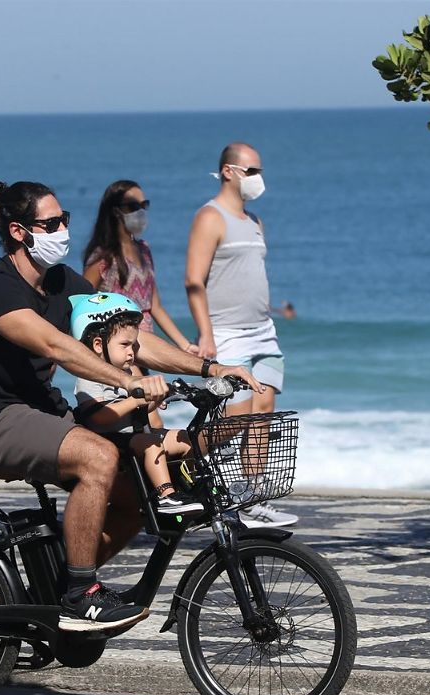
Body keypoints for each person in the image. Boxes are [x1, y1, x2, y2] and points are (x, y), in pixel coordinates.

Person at [0, 180, 263, 632]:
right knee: (99, 456)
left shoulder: (63, 284)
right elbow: (54, 345)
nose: (63, 230)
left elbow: (131, 336)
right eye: (51, 223)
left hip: (47, 416)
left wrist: (210, 370)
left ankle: (60, 582)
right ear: (19, 232)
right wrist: (126, 383)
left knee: (140, 493)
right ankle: (81, 593)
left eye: (66, 220)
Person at [184, 142, 299, 529]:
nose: (258, 179)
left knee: (263, 410)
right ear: (229, 171)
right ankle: (185, 466)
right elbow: (194, 281)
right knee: (234, 418)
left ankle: (251, 497)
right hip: (227, 332)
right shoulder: (210, 217)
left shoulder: (255, 221)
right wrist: (206, 335)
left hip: (263, 332)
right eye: (252, 171)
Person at [69, 292, 201, 515]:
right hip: (111, 440)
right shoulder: (89, 377)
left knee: (185, 439)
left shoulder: (128, 373)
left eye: (134, 345)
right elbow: (99, 417)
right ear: (99, 344)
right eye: (125, 345)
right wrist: (135, 400)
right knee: (150, 443)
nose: (132, 352)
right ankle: (166, 496)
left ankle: (189, 487)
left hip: (137, 434)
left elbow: (140, 410)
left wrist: (153, 401)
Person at [83, 180, 196, 352]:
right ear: (115, 211)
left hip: (145, 348)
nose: (140, 211)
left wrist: (185, 346)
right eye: (133, 206)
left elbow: (155, 307)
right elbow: (83, 306)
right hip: (118, 352)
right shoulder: (103, 257)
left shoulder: (144, 250)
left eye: (144, 205)